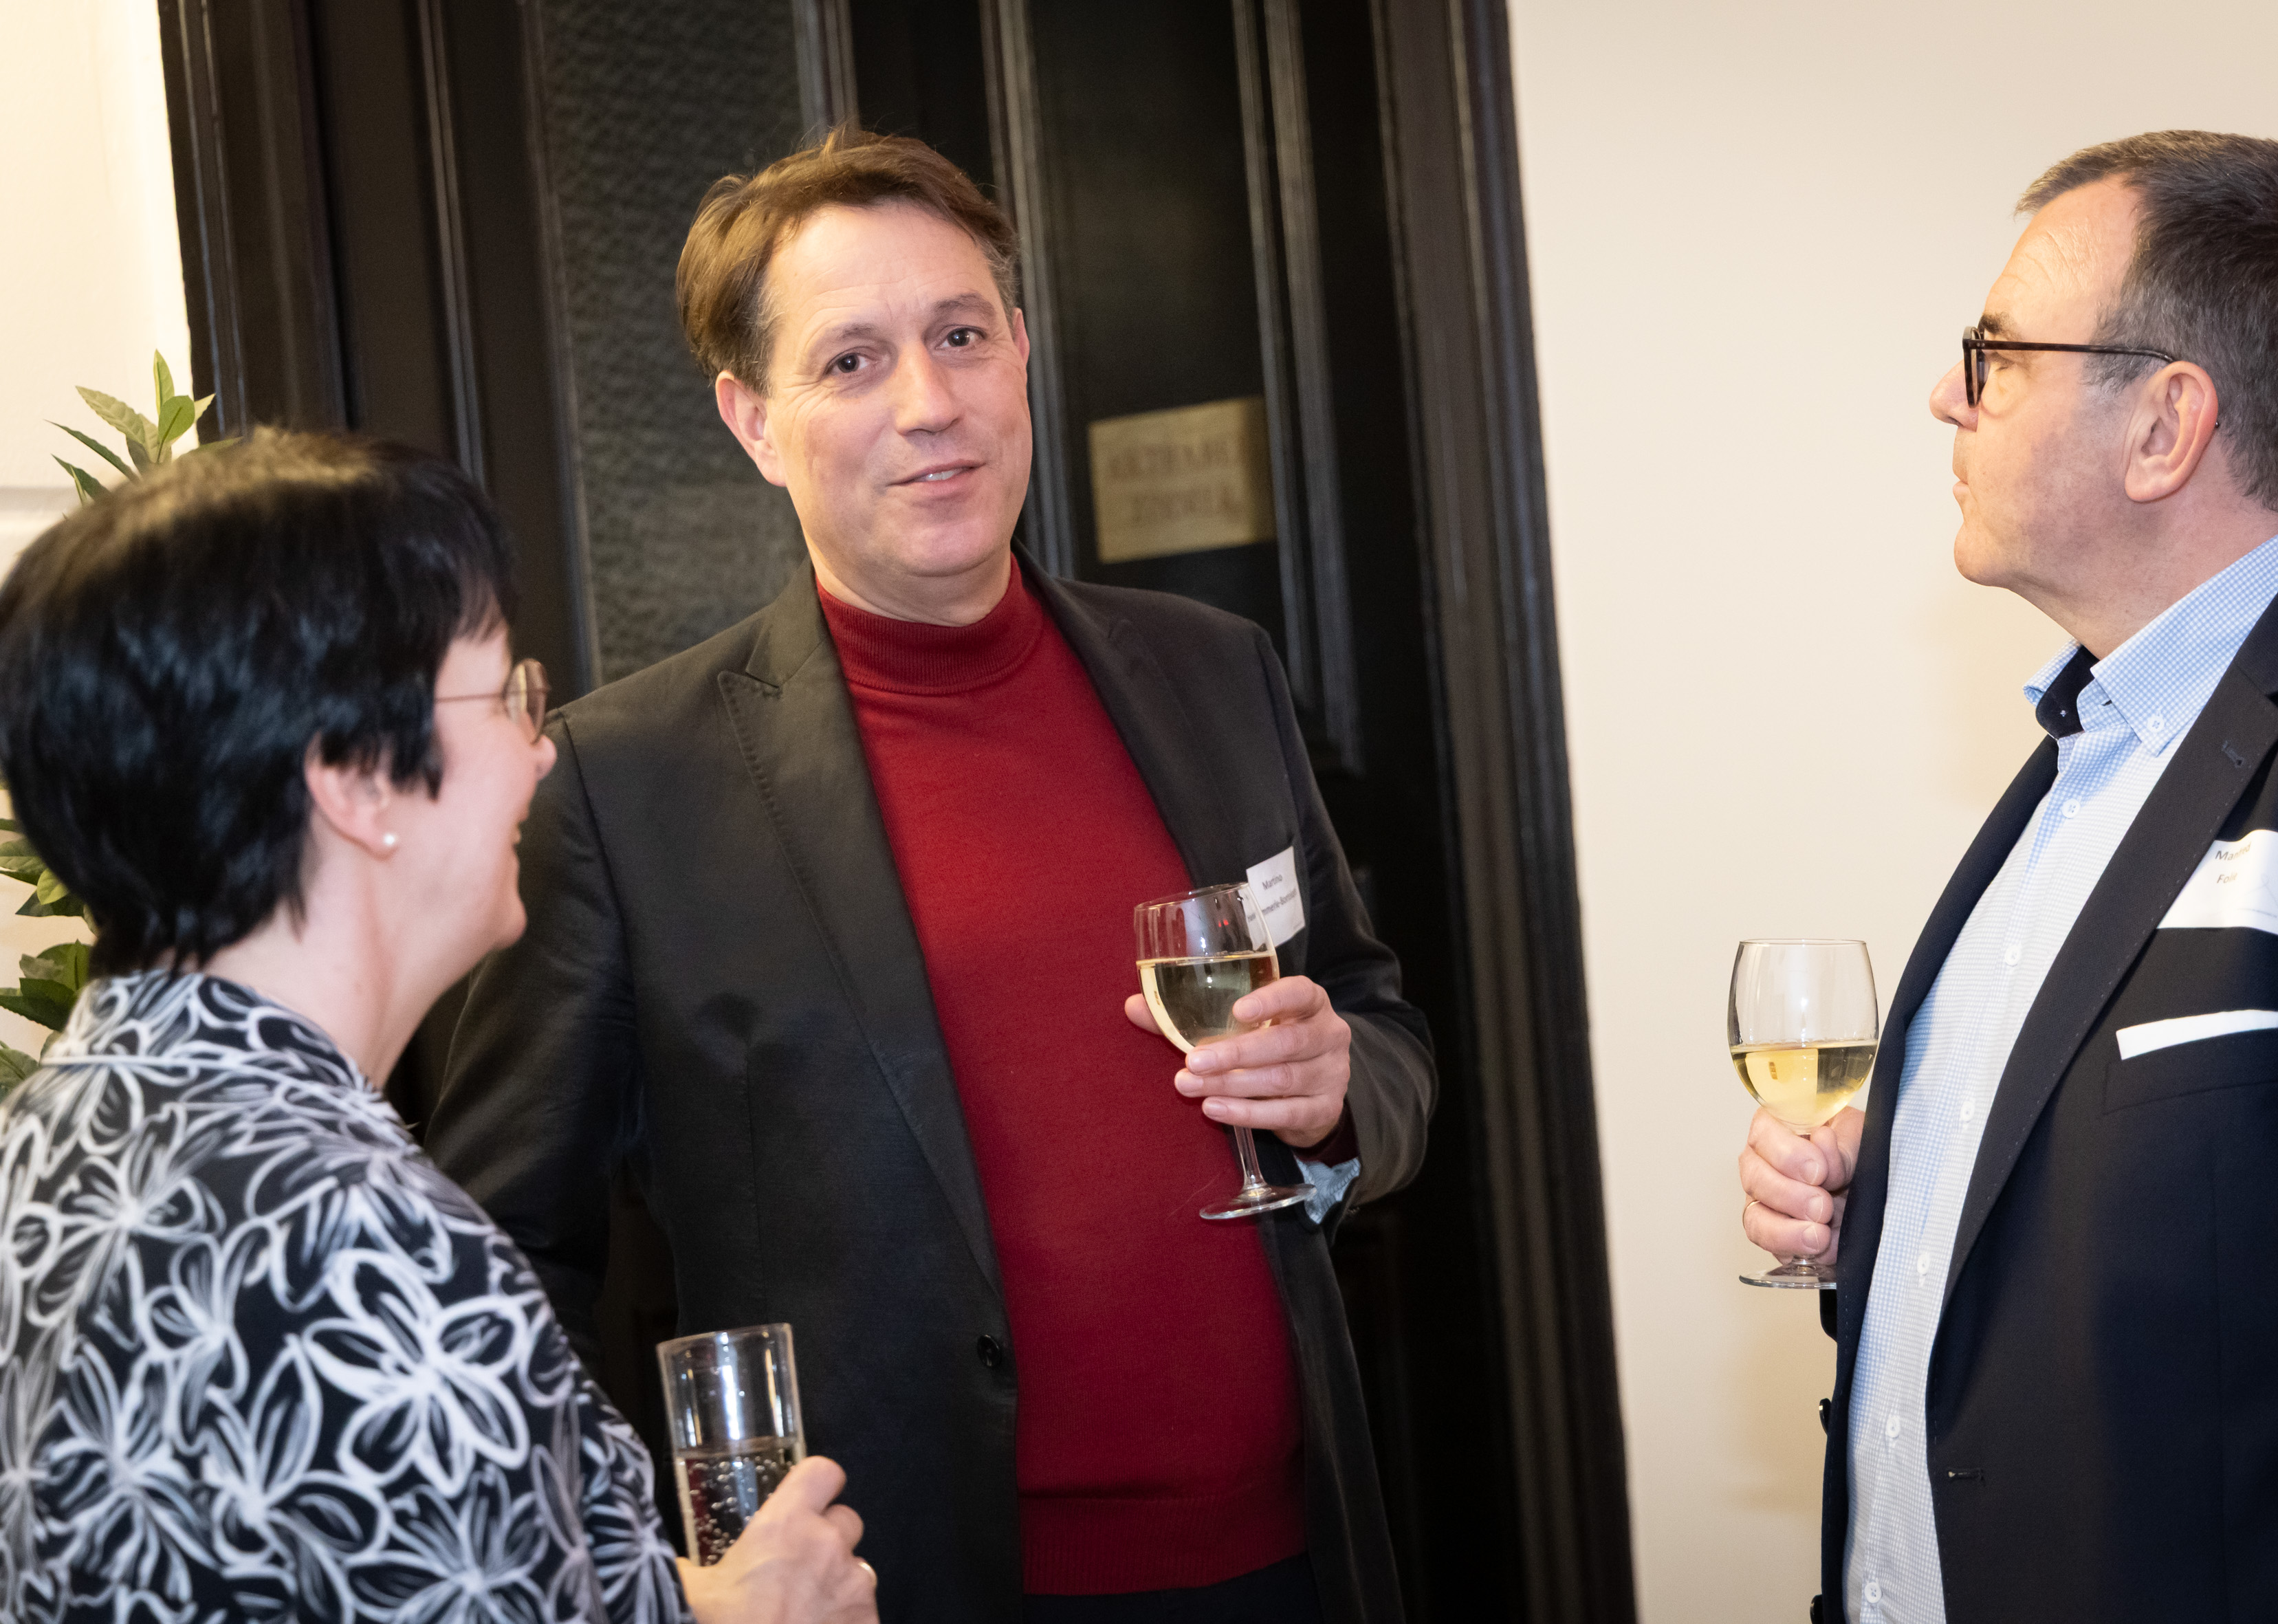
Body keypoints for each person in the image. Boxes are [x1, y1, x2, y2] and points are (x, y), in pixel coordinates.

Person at [426, 128, 1433, 1623]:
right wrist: (641, 1583)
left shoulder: (1213, 671)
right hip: (899, 1588)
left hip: (1285, 1562)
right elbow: (501, 1264)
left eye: (961, 335)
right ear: (753, 421)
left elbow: (1375, 1021)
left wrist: (1337, 1087)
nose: (929, 401)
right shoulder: (621, 787)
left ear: (1020, 350)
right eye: (851, 361)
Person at [0, 432, 877, 1624]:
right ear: (357, 778)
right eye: (506, 694)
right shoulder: (365, 1248)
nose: (540, 749)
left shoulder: (52, 1132)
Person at [1740, 130, 2278, 1623]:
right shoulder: (2094, 741)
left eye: (1995, 354)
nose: (1948, 395)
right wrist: (1905, 1185)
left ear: (2163, 427)